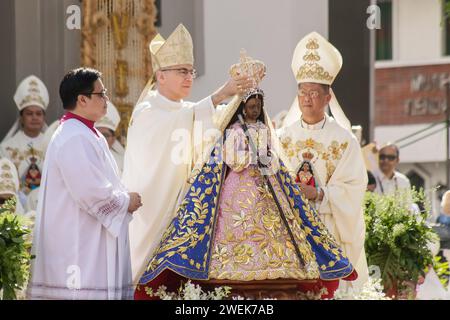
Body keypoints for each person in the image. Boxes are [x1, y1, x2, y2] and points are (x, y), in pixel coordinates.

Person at [134, 85, 357, 300]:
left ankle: (279, 267)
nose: (255, 110)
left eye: (258, 106)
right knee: (238, 224)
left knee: (275, 226)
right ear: (242, 108)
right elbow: (231, 157)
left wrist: (267, 162)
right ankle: (233, 268)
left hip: (267, 185)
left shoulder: (262, 129)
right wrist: (251, 158)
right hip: (239, 185)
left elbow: (272, 157)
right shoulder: (235, 130)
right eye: (251, 106)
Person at [122, 24, 257, 283]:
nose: (189, 77)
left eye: (191, 71)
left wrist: (241, 98)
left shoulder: (186, 110)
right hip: (153, 210)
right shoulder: (147, 110)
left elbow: (214, 126)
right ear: (161, 76)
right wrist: (220, 94)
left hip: (186, 210)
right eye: (181, 71)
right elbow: (184, 122)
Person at [27, 68, 142, 300]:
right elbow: (90, 192)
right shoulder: (73, 136)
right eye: (101, 94)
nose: (106, 99)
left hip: (90, 239)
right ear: (82, 99)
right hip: (79, 248)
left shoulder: (88, 134)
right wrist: (126, 201)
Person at [278, 31, 369, 290]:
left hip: (330, 228)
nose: (307, 98)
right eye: (302, 92)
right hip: (292, 230)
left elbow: (354, 188)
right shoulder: (282, 138)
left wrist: (318, 193)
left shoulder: (344, 141)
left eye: (314, 93)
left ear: (328, 98)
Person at [0, 75, 49, 208]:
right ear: (21, 117)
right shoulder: (7, 147)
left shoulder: (53, 145)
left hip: (48, 205)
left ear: (44, 117)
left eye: (39, 113)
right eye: (29, 113)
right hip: (17, 207)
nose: (34, 117)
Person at [95, 101, 125, 176]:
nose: (100, 138)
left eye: (105, 135)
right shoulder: (84, 156)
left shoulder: (122, 161)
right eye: (97, 134)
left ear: (113, 139)